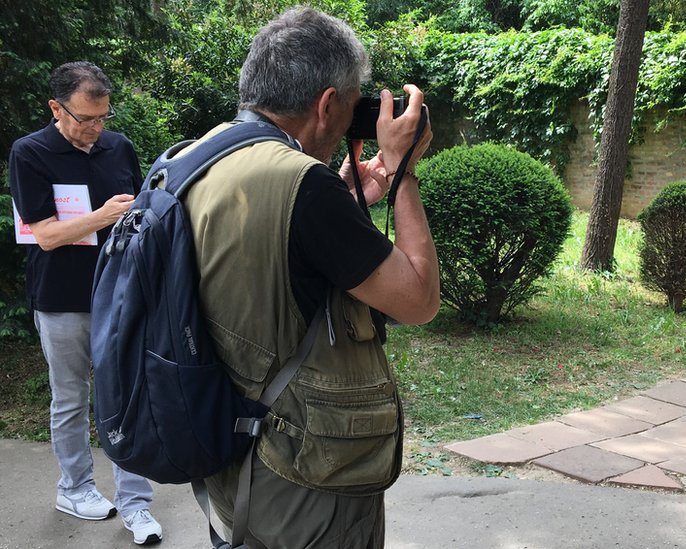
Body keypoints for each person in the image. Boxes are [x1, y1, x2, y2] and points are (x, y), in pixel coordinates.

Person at [183, 7, 439, 548]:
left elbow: (272, 260)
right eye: (352, 106)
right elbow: (418, 299)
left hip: (229, 458)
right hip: (303, 476)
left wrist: (343, 195)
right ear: (326, 105)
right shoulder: (305, 186)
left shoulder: (201, 155)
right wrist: (404, 172)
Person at [8, 62, 163, 544]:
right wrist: (102, 217)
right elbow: (46, 235)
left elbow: (140, 212)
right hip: (61, 298)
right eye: (85, 118)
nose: (95, 128)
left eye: (102, 117)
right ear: (56, 109)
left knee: (126, 395)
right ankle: (74, 488)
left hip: (119, 292)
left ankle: (136, 503)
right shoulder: (30, 152)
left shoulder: (119, 147)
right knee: (71, 398)